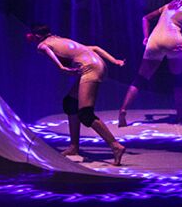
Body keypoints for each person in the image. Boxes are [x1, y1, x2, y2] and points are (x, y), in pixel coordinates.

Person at [26, 25, 126, 165]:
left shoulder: (42, 45)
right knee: (70, 103)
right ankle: (74, 147)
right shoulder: (61, 40)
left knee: (85, 113)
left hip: (90, 69)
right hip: (97, 65)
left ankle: (115, 146)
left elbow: (47, 51)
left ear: (36, 36)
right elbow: (95, 48)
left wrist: (61, 67)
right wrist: (114, 61)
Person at [118, 0, 182, 127]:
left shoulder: (169, 5)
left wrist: (146, 37)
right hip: (173, 40)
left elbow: (145, 18)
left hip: (154, 40)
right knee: (178, 79)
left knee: (140, 78)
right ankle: (179, 117)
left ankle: (123, 110)